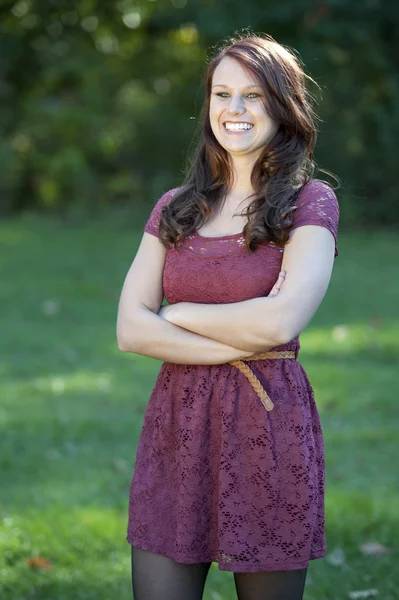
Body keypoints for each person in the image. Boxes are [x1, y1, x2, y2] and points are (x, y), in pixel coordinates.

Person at [117, 32, 339, 600]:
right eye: (222, 94)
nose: (234, 110)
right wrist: (241, 333)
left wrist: (181, 311)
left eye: (253, 96)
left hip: (268, 426)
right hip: (177, 424)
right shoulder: (176, 206)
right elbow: (130, 329)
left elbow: (279, 325)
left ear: (283, 106)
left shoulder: (309, 202)